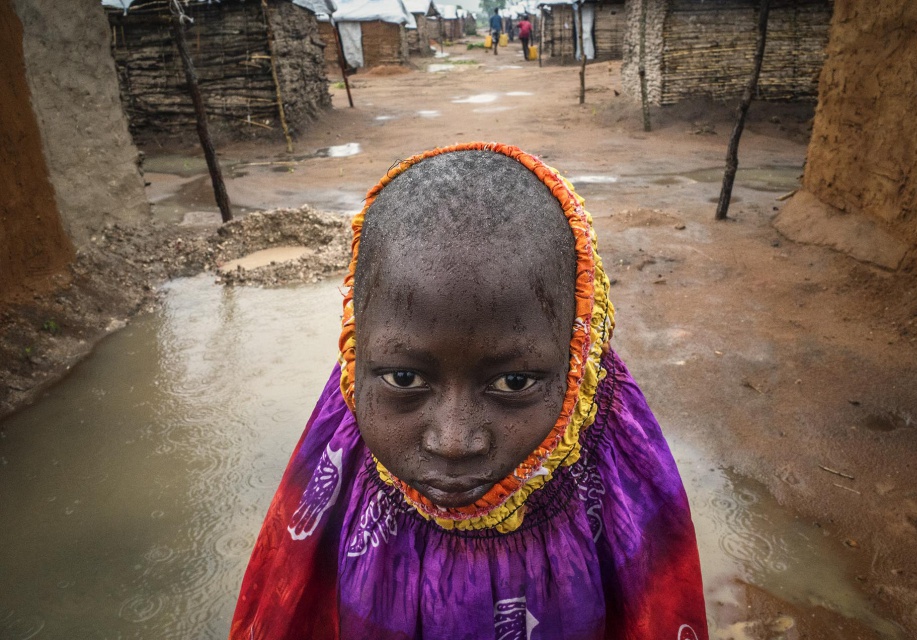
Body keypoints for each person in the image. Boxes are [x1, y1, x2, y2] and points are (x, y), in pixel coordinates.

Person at [229, 142, 708, 640]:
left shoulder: (614, 468)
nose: (454, 442)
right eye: (405, 379)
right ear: (356, 350)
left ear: (580, 358)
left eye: (514, 383)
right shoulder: (337, 452)